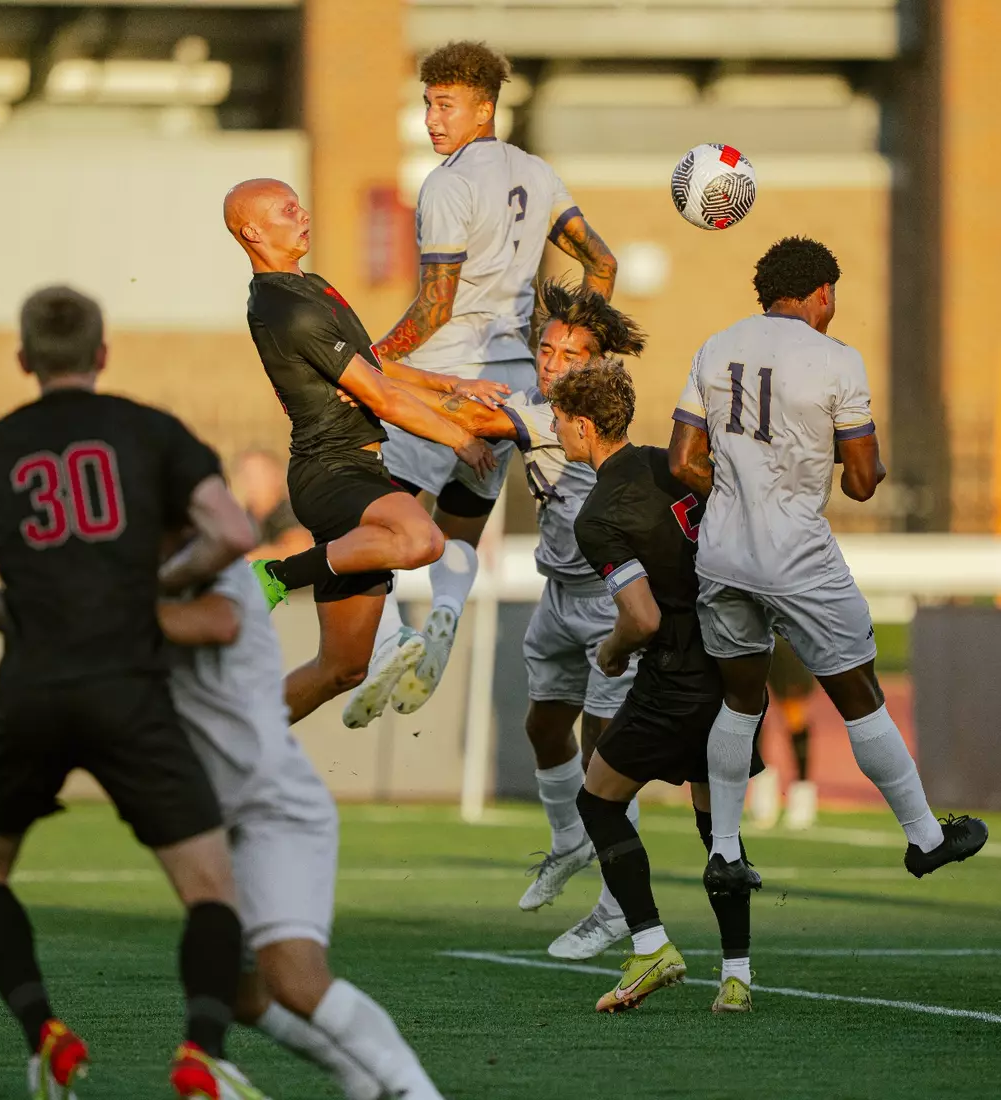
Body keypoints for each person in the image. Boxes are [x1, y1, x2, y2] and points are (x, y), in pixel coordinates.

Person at [0, 286, 269, 1099]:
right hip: (129, 691)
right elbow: (234, 533)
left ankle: (44, 1034)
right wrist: (159, 583)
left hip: (29, 692)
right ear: (102, 354)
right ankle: (201, 1053)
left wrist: (39, 613)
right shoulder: (150, 430)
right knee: (210, 890)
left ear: (24, 359)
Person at [667, 236, 987, 893]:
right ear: (821, 293)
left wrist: (735, 496)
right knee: (859, 693)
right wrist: (860, 457)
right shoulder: (837, 359)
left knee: (740, 701)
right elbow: (863, 483)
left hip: (722, 554)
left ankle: (724, 852)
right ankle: (925, 837)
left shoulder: (716, 345)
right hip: (797, 556)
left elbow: (682, 460)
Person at [366, 280, 649, 960]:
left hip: (611, 599)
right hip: (560, 593)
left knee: (603, 759)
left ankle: (620, 908)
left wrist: (380, 379)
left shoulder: (570, 419)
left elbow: (476, 418)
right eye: (546, 350)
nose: (551, 364)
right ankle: (569, 843)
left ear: (598, 365)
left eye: (570, 355)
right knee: (543, 726)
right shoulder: (539, 405)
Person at [360, 40, 620, 714]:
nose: (431, 119)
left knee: (371, 516)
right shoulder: (538, 173)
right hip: (514, 384)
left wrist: (368, 360)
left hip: (444, 376)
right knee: (461, 523)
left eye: (445, 105)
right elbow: (602, 263)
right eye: (427, 104)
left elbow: (436, 305)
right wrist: (579, 345)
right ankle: (446, 610)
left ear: (484, 109)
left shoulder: (447, 183)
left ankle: (390, 644)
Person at [158, 556, 443, 1100]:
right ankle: (363, 1080)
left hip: (271, 802)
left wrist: (94, 614)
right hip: (212, 808)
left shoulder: (214, 575)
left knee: (295, 979)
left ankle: (418, 1094)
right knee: (242, 997)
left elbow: (216, 615)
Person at [221, 177, 499, 727]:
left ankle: (232, 743)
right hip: (332, 472)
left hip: (356, 468)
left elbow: (372, 364)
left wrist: (449, 384)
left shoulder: (310, 286)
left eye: (299, 204)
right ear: (252, 231)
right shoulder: (283, 307)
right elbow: (381, 397)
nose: (303, 214)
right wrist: (460, 437)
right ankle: (275, 576)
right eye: (287, 209)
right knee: (421, 539)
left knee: (342, 669)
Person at [550, 357, 765, 1014]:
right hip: (732, 664)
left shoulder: (597, 515)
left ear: (584, 427)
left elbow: (640, 617)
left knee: (597, 801)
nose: (555, 431)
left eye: (559, 420)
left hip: (673, 676)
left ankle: (650, 944)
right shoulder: (671, 465)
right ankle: (737, 977)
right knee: (717, 825)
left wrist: (612, 651)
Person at [750, 637, 820, 830]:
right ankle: (762, 785)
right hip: (747, 634)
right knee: (751, 710)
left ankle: (802, 791)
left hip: (783, 634)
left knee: (793, 713)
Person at [231, 447, 313, 561]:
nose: (253, 482)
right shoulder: (246, 519)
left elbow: (299, 549)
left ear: (277, 477)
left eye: (260, 475)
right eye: (247, 475)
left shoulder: (290, 512)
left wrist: (244, 559)